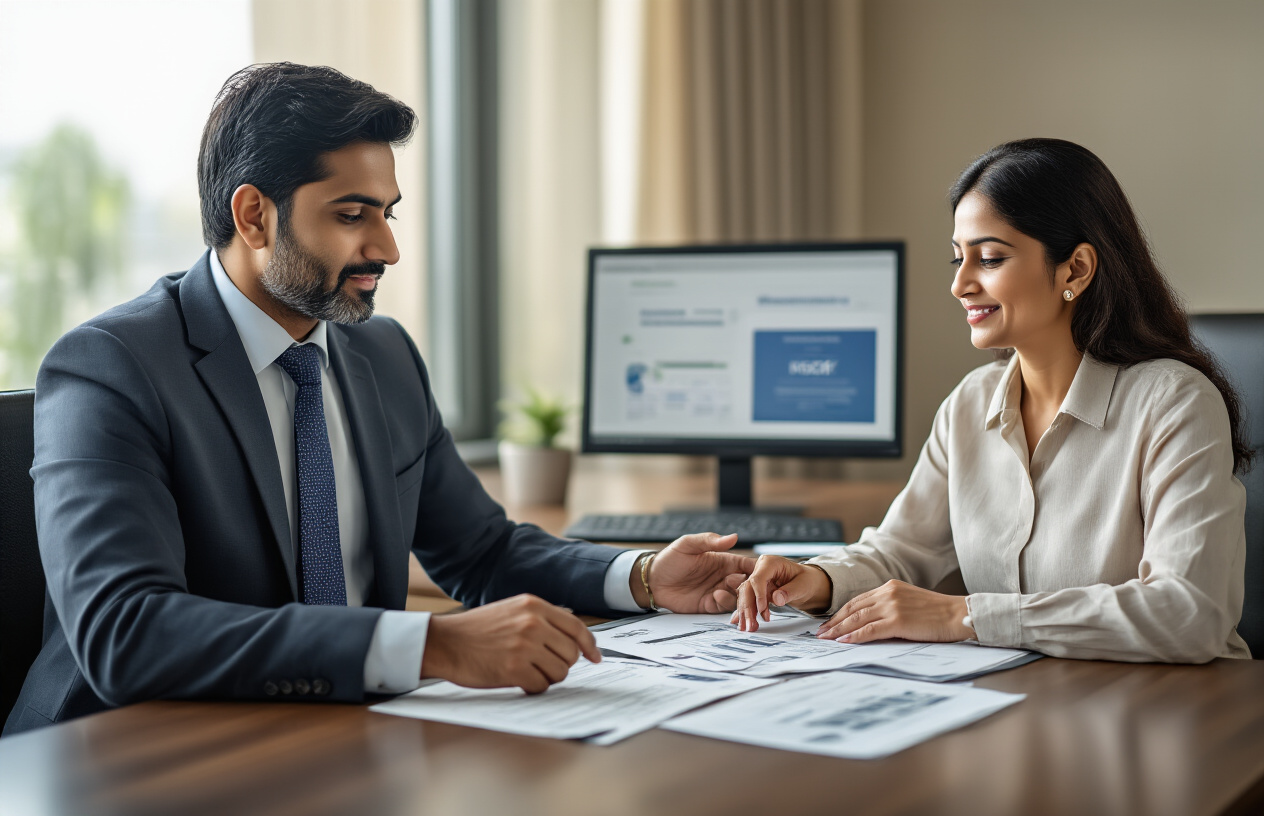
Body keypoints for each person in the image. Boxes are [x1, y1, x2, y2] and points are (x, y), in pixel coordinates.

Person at [3, 63, 752, 736]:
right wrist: (435, 644)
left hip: (331, 737)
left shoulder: (381, 354)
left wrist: (645, 577)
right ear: (254, 215)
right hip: (127, 753)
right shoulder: (111, 366)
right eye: (351, 215)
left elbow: (480, 552)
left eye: (387, 214)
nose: (387, 250)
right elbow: (123, 631)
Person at [732, 138, 1252, 663]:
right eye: (958, 258)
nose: (960, 284)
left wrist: (963, 616)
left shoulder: (1173, 403)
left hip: (1183, 712)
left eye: (990, 258)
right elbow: (903, 551)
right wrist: (818, 579)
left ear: (1075, 269)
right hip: (1031, 700)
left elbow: (1189, 612)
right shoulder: (969, 404)